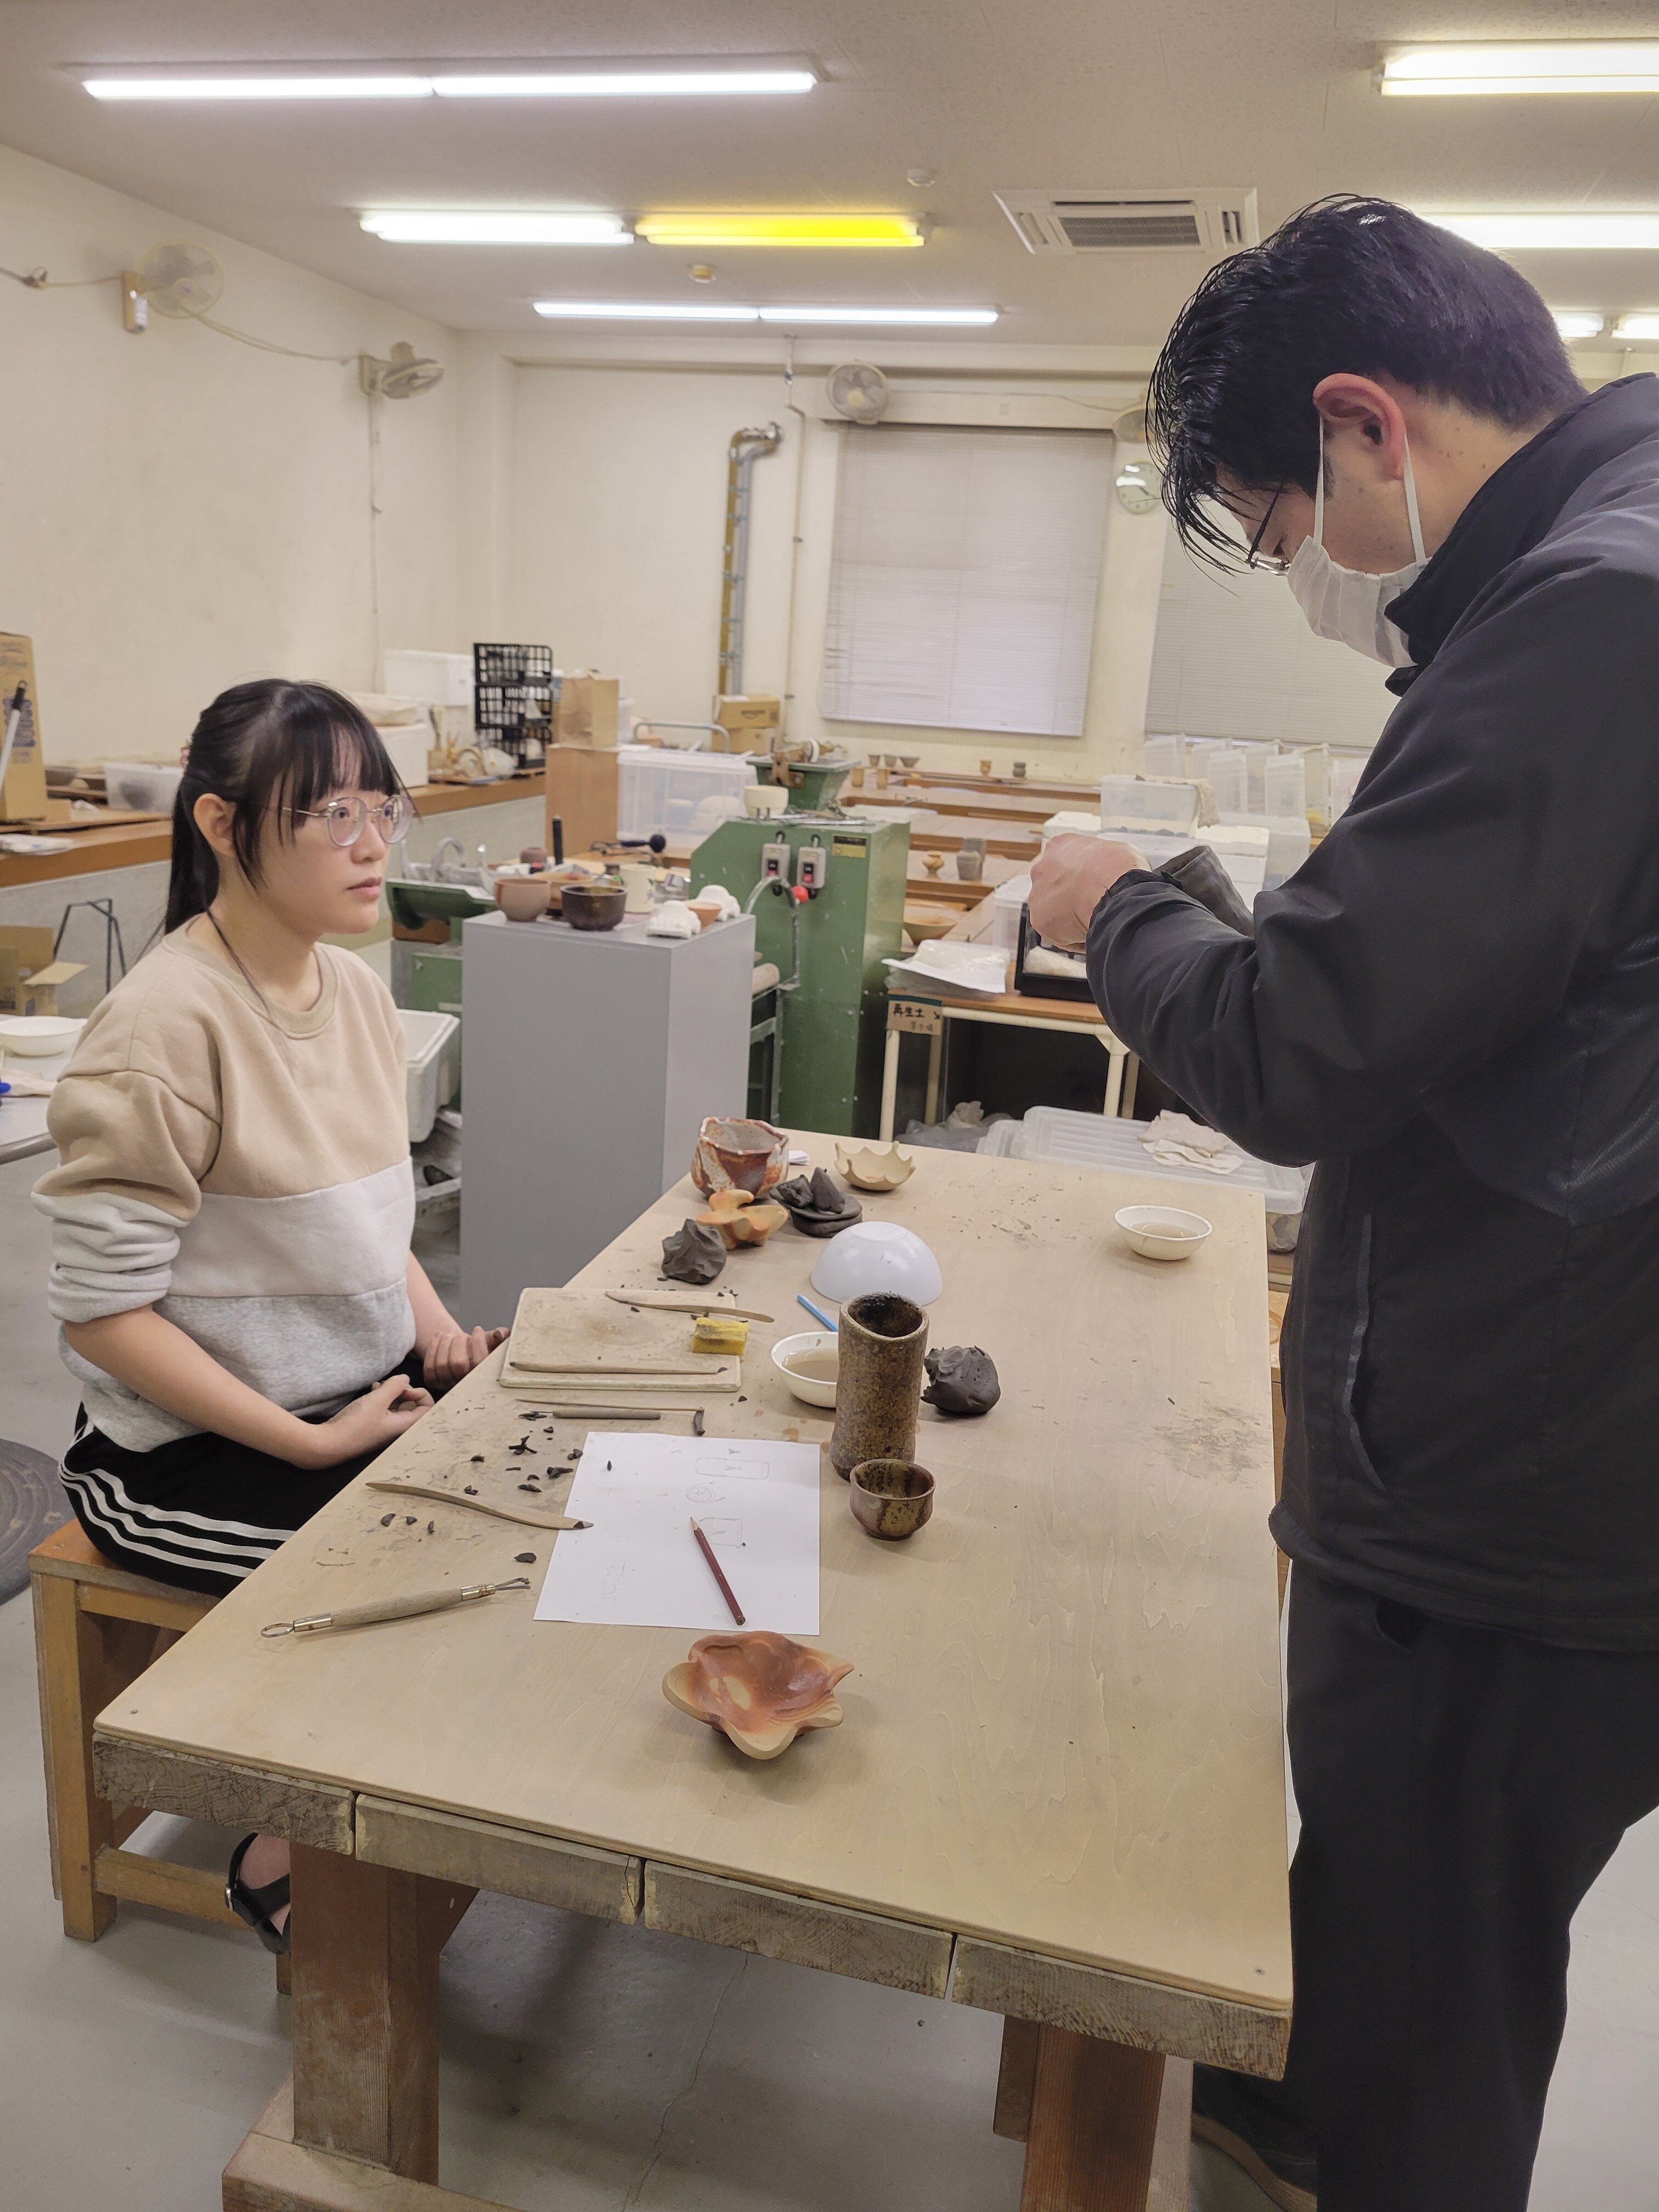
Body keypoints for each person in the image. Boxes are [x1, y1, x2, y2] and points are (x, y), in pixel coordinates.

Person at [1031, 196, 1659, 2212]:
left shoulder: (1588, 617)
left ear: (1364, 425)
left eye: (1278, 526)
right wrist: (1239, 936)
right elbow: (1457, 986)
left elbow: (1298, 1056)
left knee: (1442, 1988)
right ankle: (1306, 2094)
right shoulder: (1609, 555)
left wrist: (1105, 909)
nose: (1298, 574)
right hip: (1558, 1409)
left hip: (1516, 1478)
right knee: (1398, 1915)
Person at [35, 679, 507, 1953]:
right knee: (445, 1594)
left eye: (382, 806)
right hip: (185, 1455)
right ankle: (284, 1849)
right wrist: (305, 1444)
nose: (372, 842)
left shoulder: (351, 994)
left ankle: (392, 1811)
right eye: (329, 813)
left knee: (543, 1521)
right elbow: (100, 1318)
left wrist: (435, 1334)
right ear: (225, 827)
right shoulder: (162, 1028)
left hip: (356, 1399)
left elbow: (370, 1225)